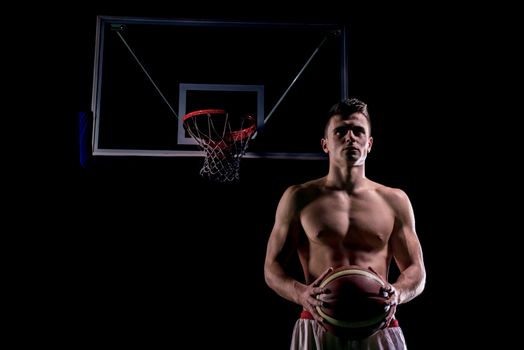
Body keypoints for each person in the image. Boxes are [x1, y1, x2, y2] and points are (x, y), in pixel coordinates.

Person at [264, 97, 426, 350]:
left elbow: (416, 269)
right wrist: (300, 294)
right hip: (317, 322)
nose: (350, 137)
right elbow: (271, 268)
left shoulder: (395, 200)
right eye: (340, 131)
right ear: (325, 144)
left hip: (379, 323)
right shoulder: (299, 197)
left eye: (358, 131)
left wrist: (399, 293)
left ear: (369, 144)